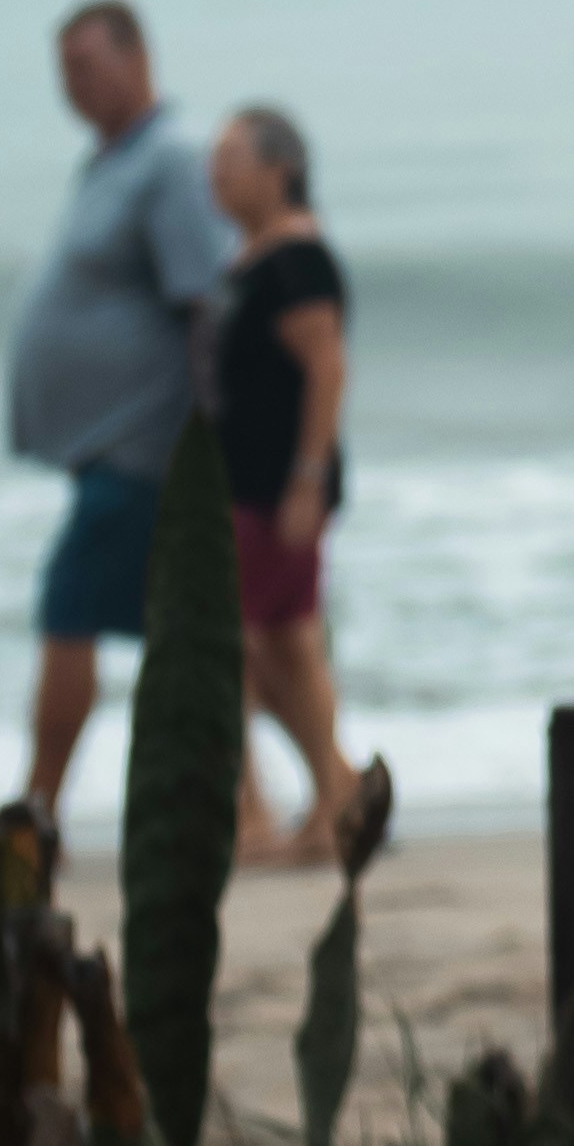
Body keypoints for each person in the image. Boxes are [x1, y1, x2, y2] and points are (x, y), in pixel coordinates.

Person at [7, 0, 233, 844]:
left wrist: (212, 448)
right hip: (116, 452)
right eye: (62, 70)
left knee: (69, 608)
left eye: (85, 64)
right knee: (201, 638)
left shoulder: (170, 161)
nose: (72, 86)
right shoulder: (111, 161)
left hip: (144, 450)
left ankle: (36, 817)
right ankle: (308, 793)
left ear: (136, 59)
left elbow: (205, 305)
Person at [209, 103, 389, 869]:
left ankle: (277, 806)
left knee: (257, 644)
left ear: (279, 169)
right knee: (275, 645)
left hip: (277, 488)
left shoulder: (297, 261)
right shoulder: (253, 256)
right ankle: (329, 799)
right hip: (244, 482)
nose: (215, 176)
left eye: (230, 160)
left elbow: (327, 366)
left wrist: (308, 478)